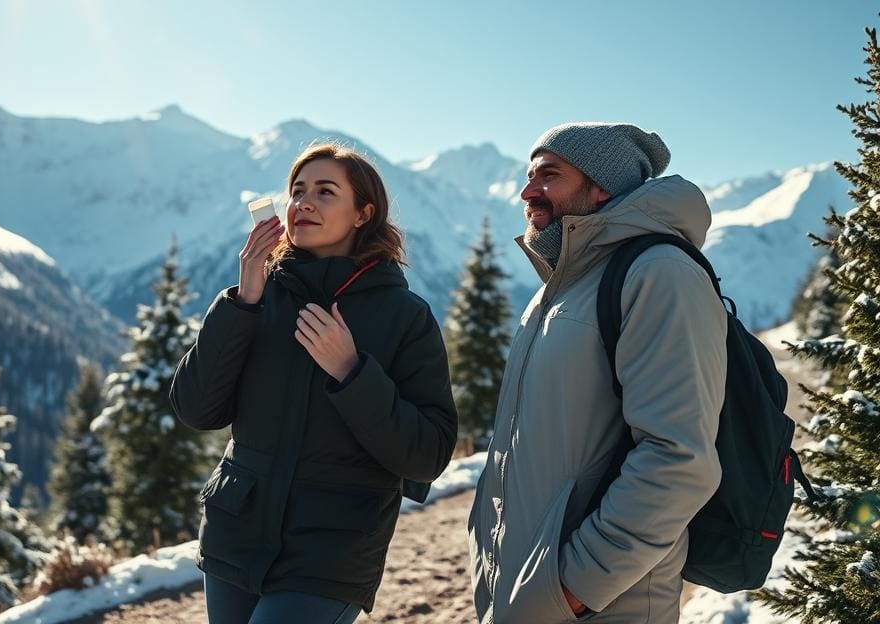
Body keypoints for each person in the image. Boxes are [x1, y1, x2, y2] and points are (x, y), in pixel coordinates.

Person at [171, 144, 457, 624]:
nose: (303, 202)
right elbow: (197, 409)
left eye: (325, 192)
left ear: (363, 213)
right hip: (235, 535)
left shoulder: (405, 318)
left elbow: (428, 454)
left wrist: (352, 372)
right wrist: (242, 300)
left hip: (332, 550)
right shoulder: (256, 298)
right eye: (297, 191)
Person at [468, 122, 727, 624]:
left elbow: (678, 458)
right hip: (524, 592)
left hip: (603, 604)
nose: (527, 191)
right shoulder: (558, 292)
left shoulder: (659, 274)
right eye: (528, 175)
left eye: (550, 174)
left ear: (601, 184)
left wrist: (571, 589)